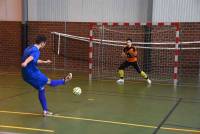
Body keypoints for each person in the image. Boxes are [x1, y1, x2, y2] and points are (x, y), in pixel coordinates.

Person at [21, 35, 72, 116]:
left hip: (25, 74)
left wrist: (45, 62)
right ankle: (64, 81)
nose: (45, 44)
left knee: (41, 88)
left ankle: (45, 111)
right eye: (45, 43)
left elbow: (34, 60)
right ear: (42, 43)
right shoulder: (36, 51)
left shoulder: (29, 48)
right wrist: (25, 62)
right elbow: (31, 58)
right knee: (49, 82)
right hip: (32, 73)